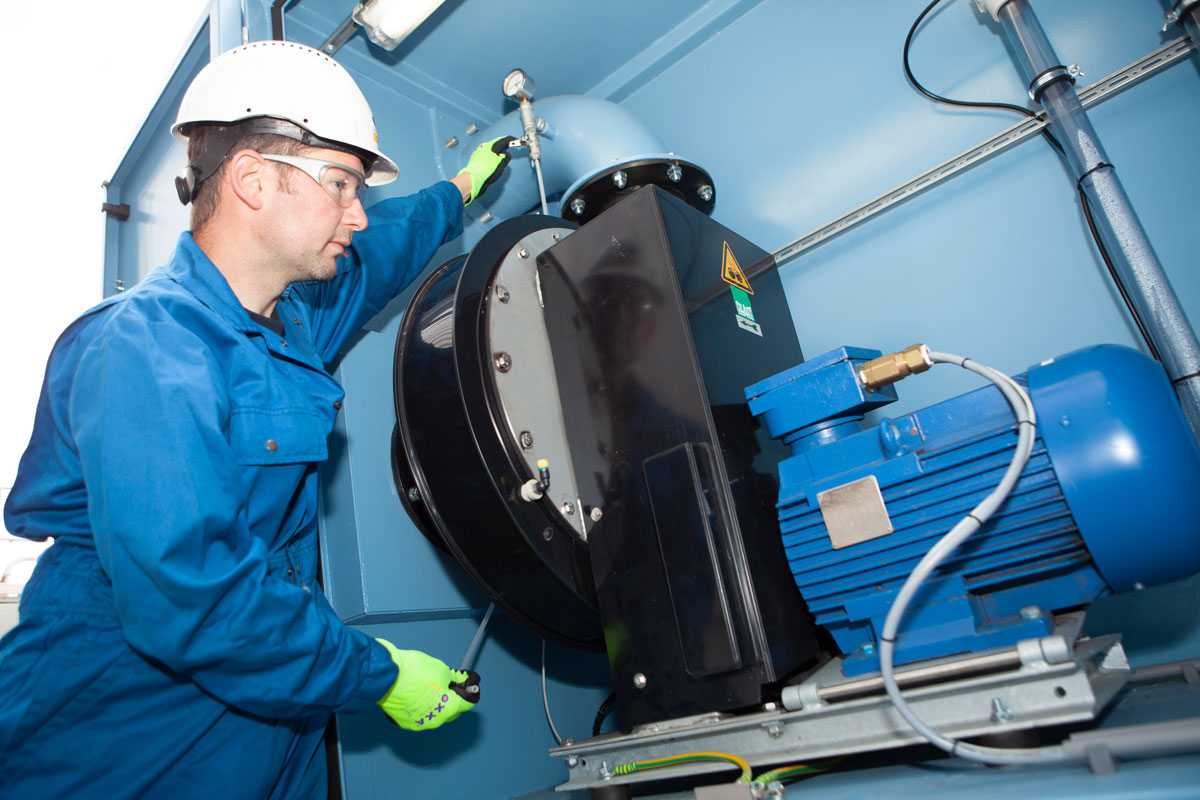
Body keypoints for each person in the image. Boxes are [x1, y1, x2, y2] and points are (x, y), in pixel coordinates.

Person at [0, 41, 510, 798]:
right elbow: (193, 596)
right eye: (340, 184)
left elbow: (386, 251)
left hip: (267, 730)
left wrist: (461, 191)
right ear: (251, 180)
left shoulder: (294, 319)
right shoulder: (145, 345)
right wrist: (378, 674)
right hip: (121, 737)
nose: (357, 215)